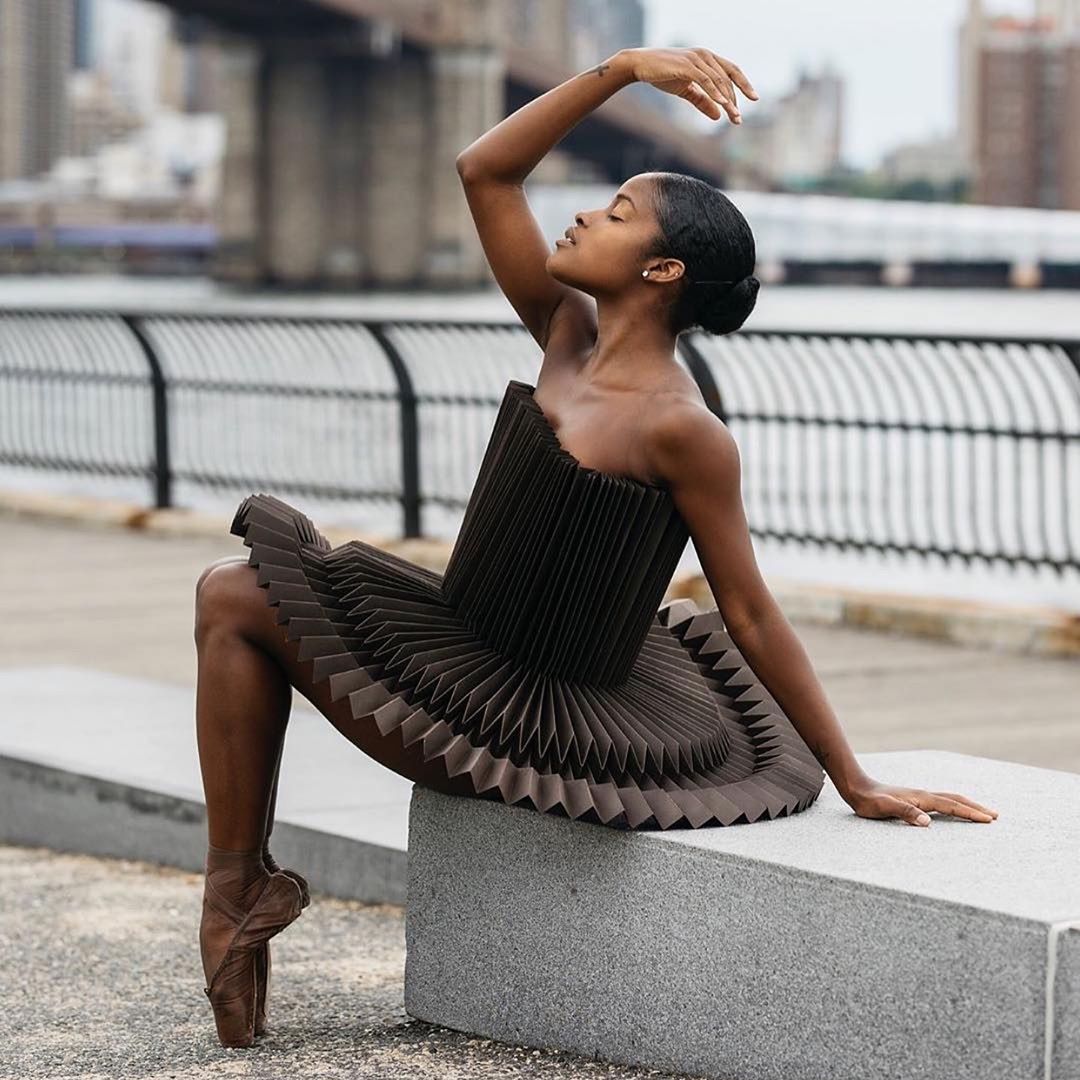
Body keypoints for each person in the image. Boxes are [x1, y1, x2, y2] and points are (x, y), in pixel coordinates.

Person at [192, 44, 998, 1048]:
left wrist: (853, 777)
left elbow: (747, 607)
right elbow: (484, 170)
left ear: (660, 272)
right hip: (460, 630)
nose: (584, 215)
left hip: (523, 705)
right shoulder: (565, 337)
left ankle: (233, 903)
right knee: (236, 584)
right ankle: (238, 889)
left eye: (617, 214)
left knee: (232, 592)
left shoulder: (682, 427)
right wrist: (619, 72)